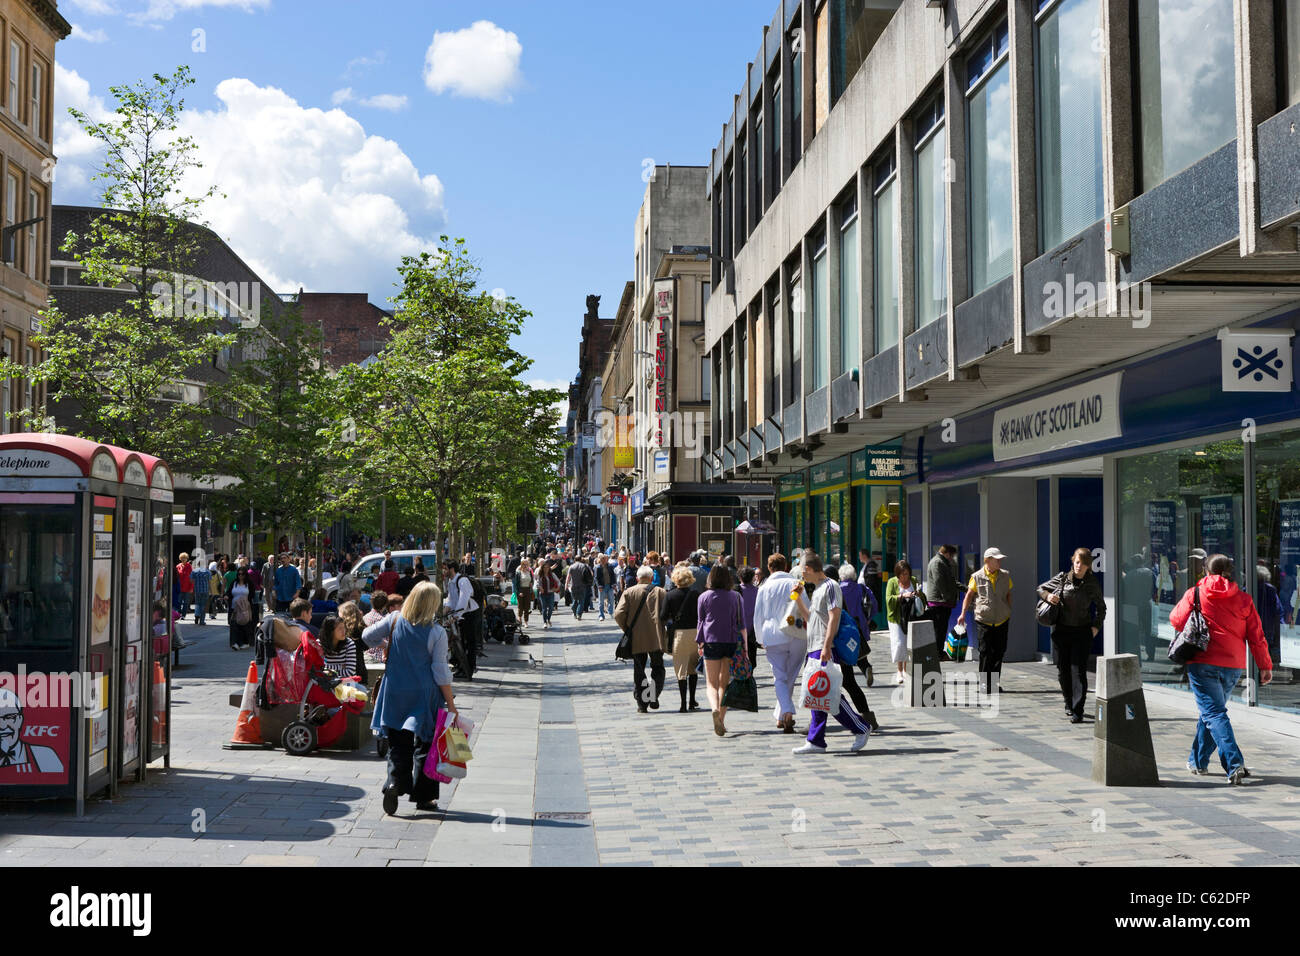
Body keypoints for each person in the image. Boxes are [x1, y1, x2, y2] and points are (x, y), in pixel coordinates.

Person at [1170, 554, 1273, 784]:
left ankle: (1234, 763)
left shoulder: (1195, 593)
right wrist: (1264, 665)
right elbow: (1256, 636)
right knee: (1211, 712)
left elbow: (1176, 620)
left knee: (1213, 713)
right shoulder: (1244, 599)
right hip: (1232, 665)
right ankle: (1197, 761)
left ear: (1206, 571)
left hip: (1202, 662)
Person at [362, 581, 458, 814]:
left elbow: (367, 636)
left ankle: (395, 782)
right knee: (425, 743)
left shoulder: (394, 620)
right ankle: (424, 797)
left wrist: (387, 644)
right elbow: (440, 671)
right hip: (424, 693)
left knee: (397, 741)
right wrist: (451, 704)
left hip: (395, 689)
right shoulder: (436, 633)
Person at [792, 552, 871, 755]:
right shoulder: (817, 589)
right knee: (817, 694)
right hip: (815, 646)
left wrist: (827, 646)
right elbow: (812, 619)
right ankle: (816, 740)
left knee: (827, 693)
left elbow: (834, 616)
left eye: (802, 570)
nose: (802, 575)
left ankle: (860, 727)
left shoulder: (830, 586)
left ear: (809, 569)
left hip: (824, 647)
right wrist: (800, 600)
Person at [1039, 547, 1106, 723]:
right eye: (1077, 562)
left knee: (1078, 672)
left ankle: (1078, 710)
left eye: (1083, 564)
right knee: (1063, 671)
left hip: (1082, 632)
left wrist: (1095, 628)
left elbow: (1101, 608)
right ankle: (1068, 703)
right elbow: (1040, 589)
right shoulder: (1062, 578)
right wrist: (1048, 597)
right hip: (1062, 631)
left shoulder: (1092, 583)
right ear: (1072, 562)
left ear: (1088, 566)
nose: (1079, 567)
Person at [754, 553, 804, 734]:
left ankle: (786, 710)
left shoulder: (765, 587)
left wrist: (760, 639)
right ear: (785, 566)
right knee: (790, 675)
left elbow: (758, 616)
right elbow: (805, 608)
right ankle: (782, 714)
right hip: (797, 633)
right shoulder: (796, 585)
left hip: (773, 634)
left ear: (769, 567)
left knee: (780, 677)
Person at [696, 565, 743, 736]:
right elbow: (741, 622)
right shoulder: (735, 596)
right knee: (725, 683)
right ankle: (721, 720)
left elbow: (701, 622)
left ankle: (714, 709)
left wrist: (699, 643)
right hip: (730, 641)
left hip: (710, 641)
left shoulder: (703, 597)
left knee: (711, 683)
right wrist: (744, 645)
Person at [614, 565, 668, 714]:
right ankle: (653, 694)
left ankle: (642, 703)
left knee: (639, 670)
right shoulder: (660, 592)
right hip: (656, 637)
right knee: (657, 667)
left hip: (636, 637)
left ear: (637, 578)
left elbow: (618, 614)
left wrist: (627, 628)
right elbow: (667, 614)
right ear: (651, 578)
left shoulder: (629, 592)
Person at [960, 547, 1014, 695]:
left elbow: (1009, 594)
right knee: (985, 653)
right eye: (997, 559)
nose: (1000, 561)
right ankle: (984, 685)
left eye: (1000, 559)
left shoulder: (1005, 575)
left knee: (999, 652)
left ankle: (994, 684)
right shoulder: (977, 576)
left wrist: (1008, 609)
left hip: (1002, 620)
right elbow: (969, 596)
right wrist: (963, 614)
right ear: (987, 560)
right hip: (984, 620)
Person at [837, 564, 881, 730]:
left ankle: (816, 723)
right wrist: (868, 620)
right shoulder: (861, 588)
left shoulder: (837, 590)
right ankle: (866, 667)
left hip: (841, 634)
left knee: (843, 681)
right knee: (857, 656)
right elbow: (873, 604)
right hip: (858, 628)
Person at [662, 565, 702, 712]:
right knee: (693, 669)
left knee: (681, 670)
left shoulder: (670, 595)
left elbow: (662, 616)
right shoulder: (696, 594)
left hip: (679, 635)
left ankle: (683, 704)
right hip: (695, 634)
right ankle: (692, 701)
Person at [885, 560, 919, 685]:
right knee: (899, 643)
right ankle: (899, 671)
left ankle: (906, 670)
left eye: (907, 574)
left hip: (910, 616)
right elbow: (888, 599)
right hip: (896, 617)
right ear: (898, 574)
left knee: (908, 643)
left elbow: (921, 596)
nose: (905, 577)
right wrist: (902, 596)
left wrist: (917, 595)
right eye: (902, 574)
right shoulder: (892, 582)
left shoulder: (914, 580)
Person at [923, 545, 960, 649]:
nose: (952, 558)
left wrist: (966, 588)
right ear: (947, 553)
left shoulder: (941, 562)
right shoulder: (937, 562)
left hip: (941, 601)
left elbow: (951, 581)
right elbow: (939, 582)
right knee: (939, 629)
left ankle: (939, 652)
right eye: (951, 556)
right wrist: (948, 597)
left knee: (941, 629)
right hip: (939, 602)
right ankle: (938, 653)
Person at [338, 600, 370, 683]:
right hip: (359, 670)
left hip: (344, 671)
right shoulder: (361, 628)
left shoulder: (340, 630)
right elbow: (366, 646)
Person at [318, 614, 357, 679]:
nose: (344, 631)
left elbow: (350, 672)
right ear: (330, 631)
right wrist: (340, 667)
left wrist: (328, 669)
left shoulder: (349, 644)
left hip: (345, 684)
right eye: (340, 628)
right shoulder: (319, 644)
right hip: (324, 684)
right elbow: (318, 669)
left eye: (344, 627)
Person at [228, 567, 255, 650]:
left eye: (242, 574)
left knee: (244, 625)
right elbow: (229, 592)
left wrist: (245, 601)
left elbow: (252, 594)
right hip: (234, 607)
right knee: (233, 625)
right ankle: (234, 643)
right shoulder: (234, 583)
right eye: (239, 574)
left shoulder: (249, 584)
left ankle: (245, 642)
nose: (240, 576)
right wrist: (226, 596)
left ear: (245, 575)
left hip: (244, 608)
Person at [738, 566, 759, 666]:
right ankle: (749, 677)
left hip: (738, 629)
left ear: (740, 577)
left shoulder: (735, 591)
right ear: (753, 578)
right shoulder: (758, 591)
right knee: (751, 658)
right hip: (752, 631)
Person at [536, 560, 561, 630]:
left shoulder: (552, 574)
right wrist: (540, 587)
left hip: (550, 593)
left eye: (547, 568)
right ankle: (545, 622)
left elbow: (558, 581)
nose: (546, 569)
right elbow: (537, 583)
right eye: (544, 568)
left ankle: (548, 619)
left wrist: (557, 588)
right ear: (542, 568)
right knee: (544, 608)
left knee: (551, 608)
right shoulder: (540, 575)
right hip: (543, 594)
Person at [594, 554, 617, 621]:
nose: (603, 561)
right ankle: (601, 615)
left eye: (604, 559)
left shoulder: (610, 566)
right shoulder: (598, 567)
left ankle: (610, 612)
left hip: (609, 586)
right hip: (602, 586)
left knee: (612, 600)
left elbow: (613, 576)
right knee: (601, 602)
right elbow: (596, 578)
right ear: (600, 560)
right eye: (602, 560)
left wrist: (614, 584)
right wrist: (599, 586)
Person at [514, 558, 536, 627]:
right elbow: (516, 584)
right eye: (523, 564)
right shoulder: (518, 573)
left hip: (528, 590)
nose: (525, 565)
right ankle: (520, 618)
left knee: (527, 607)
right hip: (521, 590)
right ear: (521, 565)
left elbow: (532, 580)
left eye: (526, 564)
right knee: (520, 607)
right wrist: (518, 592)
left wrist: (531, 584)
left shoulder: (529, 572)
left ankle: (526, 621)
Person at [190, 558, 211, 626]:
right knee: (203, 605)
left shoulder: (194, 571)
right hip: (205, 590)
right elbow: (209, 582)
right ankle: (202, 621)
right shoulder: (207, 572)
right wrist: (210, 591)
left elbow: (191, 580)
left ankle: (197, 616)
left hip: (197, 590)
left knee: (198, 605)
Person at [176, 552, 194, 618]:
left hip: (187, 587)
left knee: (186, 602)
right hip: (179, 587)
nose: (184, 559)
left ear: (187, 559)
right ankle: (178, 614)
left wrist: (192, 587)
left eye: (185, 558)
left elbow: (192, 577)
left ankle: (183, 615)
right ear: (180, 558)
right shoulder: (178, 566)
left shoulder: (189, 566)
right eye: (182, 558)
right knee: (179, 602)